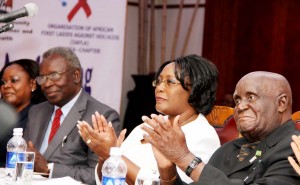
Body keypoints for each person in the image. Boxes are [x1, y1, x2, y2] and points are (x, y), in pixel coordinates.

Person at [77, 54, 221, 184]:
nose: (159, 88)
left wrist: (112, 153)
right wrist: (106, 157)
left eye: (170, 82)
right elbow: (108, 178)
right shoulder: (146, 126)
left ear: (196, 88)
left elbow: (173, 183)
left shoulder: (203, 136)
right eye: (158, 82)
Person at [141, 71, 300, 184]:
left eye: (251, 97)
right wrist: (167, 170)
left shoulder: (294, 147)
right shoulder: (229, 149)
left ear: (281, 103)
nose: (240, 107)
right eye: (237, 100)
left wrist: (185, 158)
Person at [23, 47, 121, 185]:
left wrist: (48, 169)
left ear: (76, 75)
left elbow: (100, 176)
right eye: (42, 78)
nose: (47, 83)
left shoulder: (101, 116)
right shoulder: (36, 111)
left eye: (54, 76)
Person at [0, 59, 46, 167]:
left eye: (14, 80)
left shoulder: (41, 115)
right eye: (3, 82)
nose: (6, 86)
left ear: (33, 84)